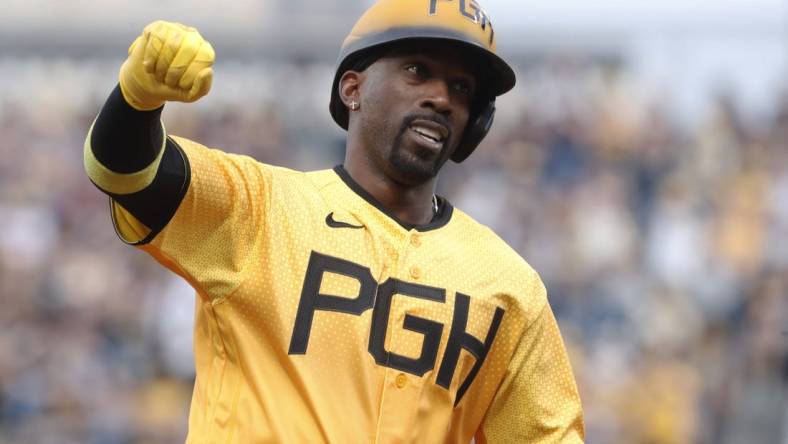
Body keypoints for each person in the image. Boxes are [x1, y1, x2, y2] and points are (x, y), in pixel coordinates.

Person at [83, 0, 584, 442]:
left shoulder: (509, 286)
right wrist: (137, 97)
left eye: (460, 87)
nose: (441, 97)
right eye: (416, 70)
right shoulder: (260, 208)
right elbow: (126, 171)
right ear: (353, 88)